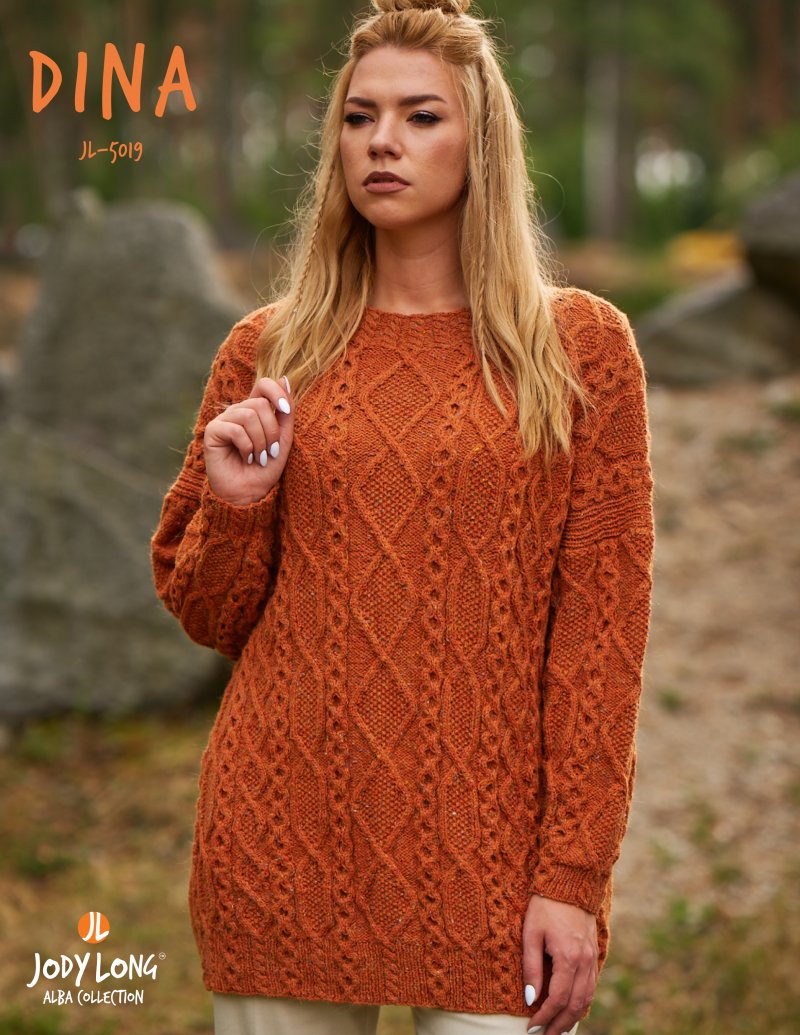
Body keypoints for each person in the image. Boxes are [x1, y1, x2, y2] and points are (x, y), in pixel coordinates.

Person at [149, 0, 655, 1033]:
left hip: (491, 854)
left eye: (421, 116)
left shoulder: (578, 351)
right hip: (281, 839)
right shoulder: (269, 351)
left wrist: (572, 877)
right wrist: (236, 507)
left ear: (483, 143)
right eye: (358, 116)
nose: (382, 141)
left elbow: (599, 641)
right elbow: (208, 616)